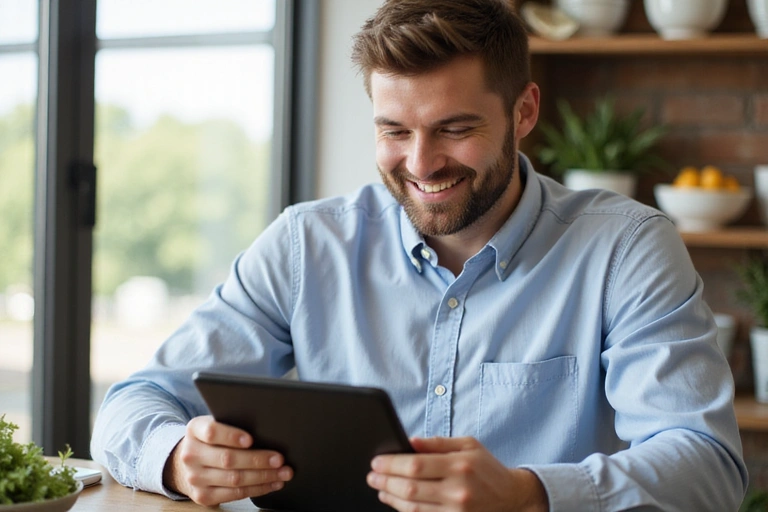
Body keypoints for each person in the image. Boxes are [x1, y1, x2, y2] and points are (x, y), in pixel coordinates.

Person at [90, 0, 748, 510]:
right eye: (394, 131)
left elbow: (707, 466)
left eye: (455, 129)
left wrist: (527, 494)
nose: (422, 163)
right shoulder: (306, 244)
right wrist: (177, 454)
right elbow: (134, 402)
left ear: (524, 112)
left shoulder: (625, 247)